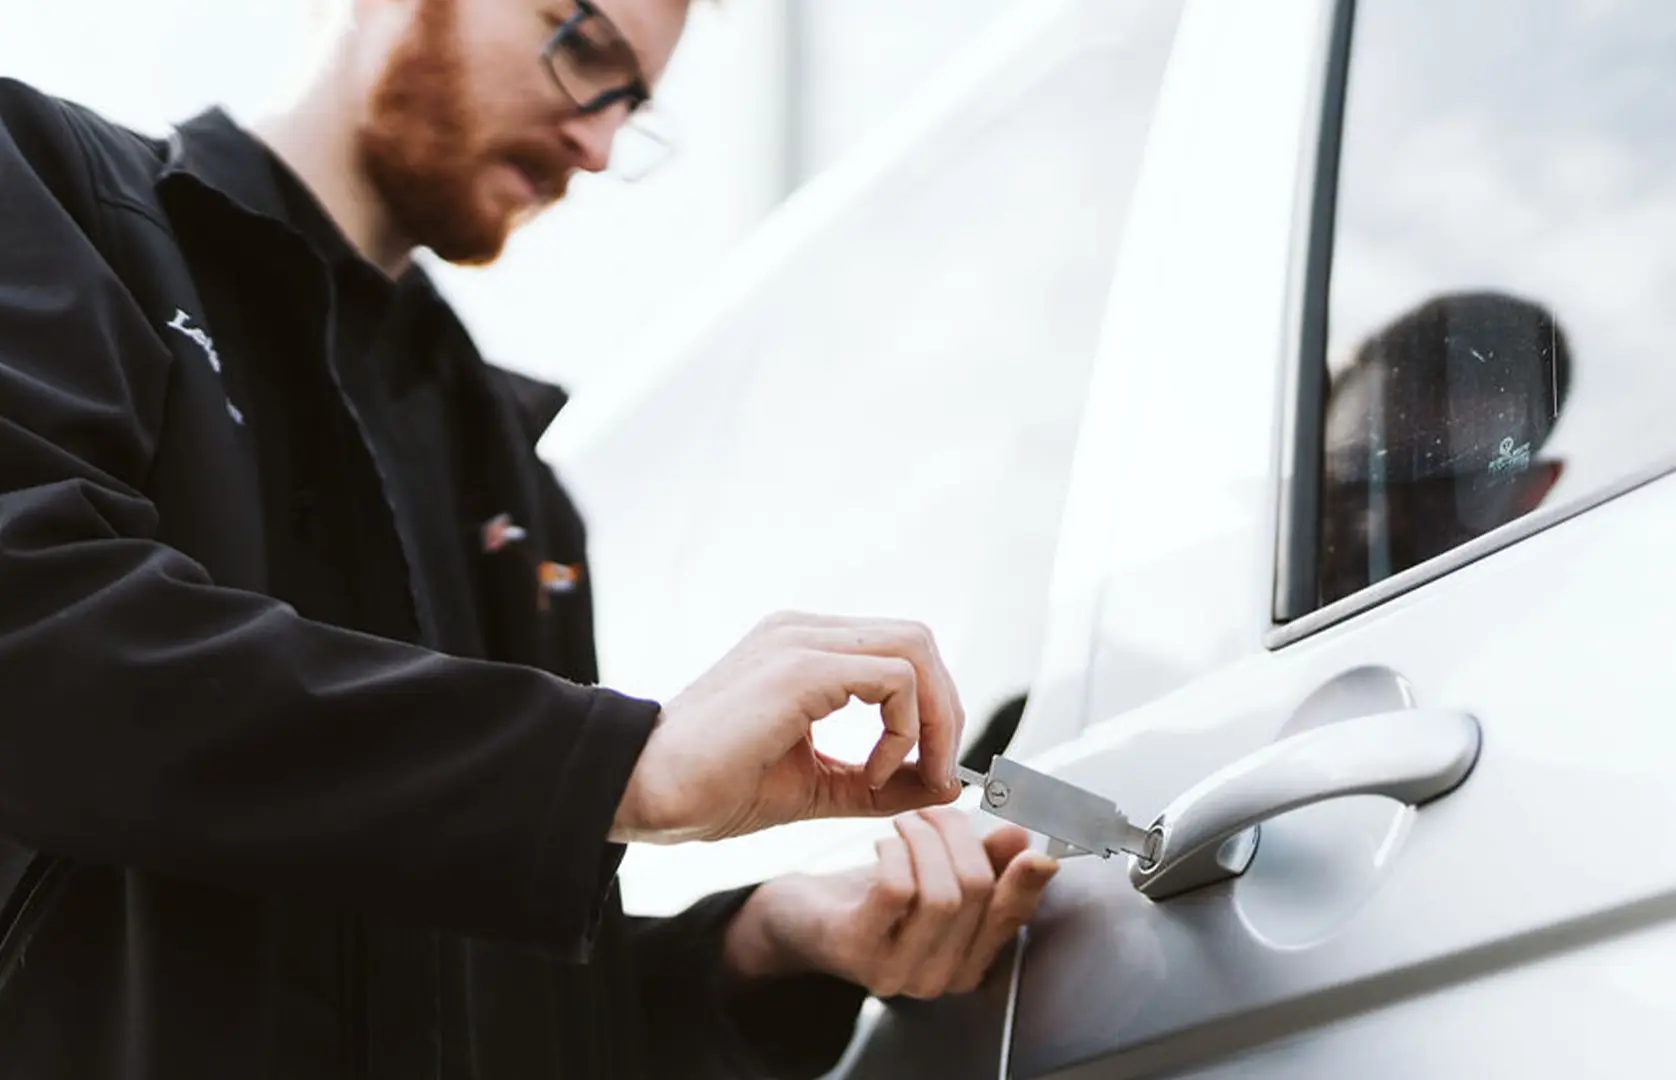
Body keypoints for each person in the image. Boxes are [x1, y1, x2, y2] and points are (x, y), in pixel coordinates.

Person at [0, 0, 1059, 1076]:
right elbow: (34, 648)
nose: (596, 145)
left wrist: (767, 944)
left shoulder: (518, 476)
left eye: (633, 106)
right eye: (582, 50)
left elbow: (520, 1009)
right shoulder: (53, 194)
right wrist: (620, 771)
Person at [1319, 291, 1574, 604]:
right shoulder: (1248, 582)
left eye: (1441, 492)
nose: (1376, 527)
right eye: (1352, 476)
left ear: (1530, 492)